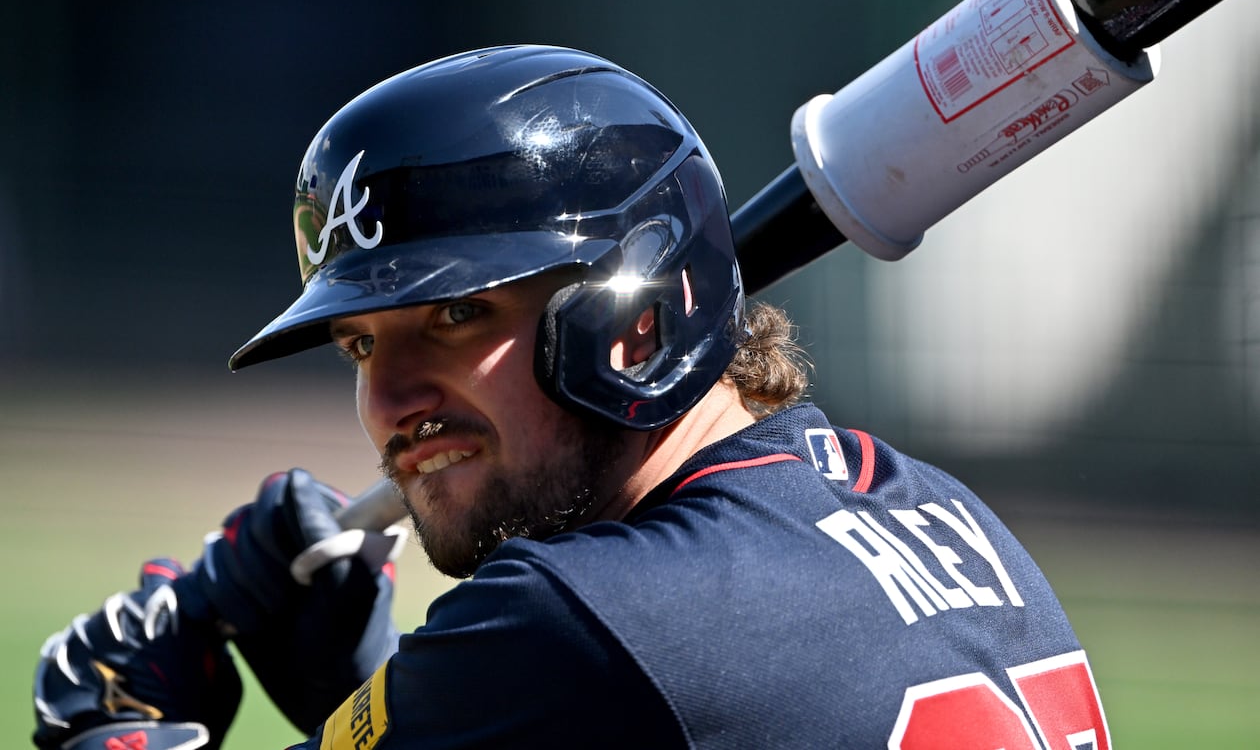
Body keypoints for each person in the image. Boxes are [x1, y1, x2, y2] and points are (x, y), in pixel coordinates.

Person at [32, 45, 1111, 749]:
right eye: (361, 345)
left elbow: (606, 665)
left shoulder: (582, 619)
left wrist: (110, 725)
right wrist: (379, 699)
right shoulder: (930, 507)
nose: (390, 401)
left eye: (455, 319)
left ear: (635, 322)